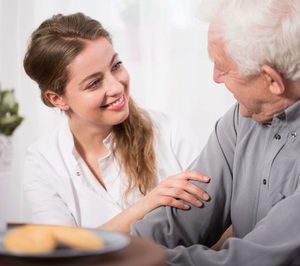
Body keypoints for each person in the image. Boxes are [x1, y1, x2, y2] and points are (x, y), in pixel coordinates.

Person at [131, 0, 300, 265]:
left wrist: (137, 259)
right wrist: (121, 249)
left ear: (272, 80)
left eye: (222, 67)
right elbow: (184, 214)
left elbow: (253, 261)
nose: (215, 77)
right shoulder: (239, 120)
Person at [22, 12, 211, 233]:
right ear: (57, 99)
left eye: (116, 66)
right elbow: (64, 252)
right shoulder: (42, 162)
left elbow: (218, 223)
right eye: (94, 83)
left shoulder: (170, 131)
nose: (116, 87)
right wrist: (149, 204)